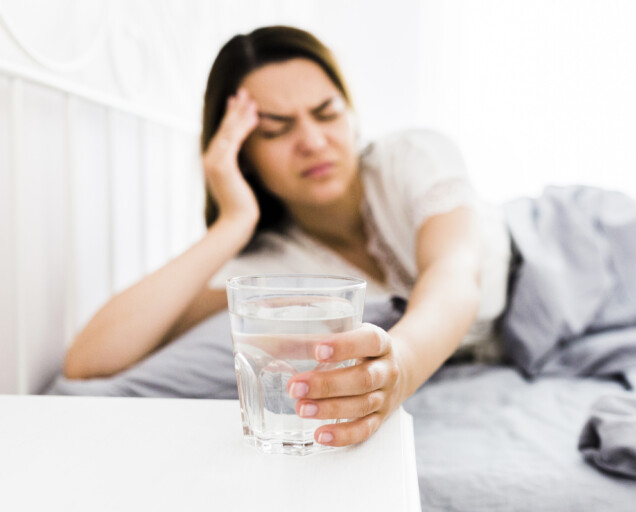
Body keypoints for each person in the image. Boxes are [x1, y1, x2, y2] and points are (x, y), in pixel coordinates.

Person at [62, 25, 513, 448]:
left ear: (352, 115)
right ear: (245, 156)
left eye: (327, 113)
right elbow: (88, 363)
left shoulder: (414, 158)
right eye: (276, 129)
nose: (313, 141)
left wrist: (402, 366)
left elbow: (454, 276)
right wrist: (233, 223)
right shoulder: (265, 267)